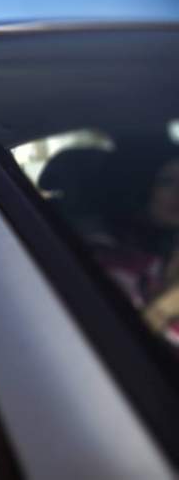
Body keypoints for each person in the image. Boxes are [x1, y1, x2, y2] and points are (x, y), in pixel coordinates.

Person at [90, 143, 179, 349]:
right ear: (140, 184)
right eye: (167, 182)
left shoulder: (170, 242)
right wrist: (166, 306)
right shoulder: (106, 255)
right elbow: (119, 347)